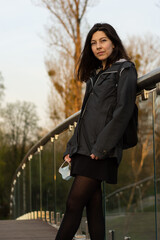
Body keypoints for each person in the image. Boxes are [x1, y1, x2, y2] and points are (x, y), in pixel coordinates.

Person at [55, 23, 137, 240]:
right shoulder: (96, 75)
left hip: (101, 149)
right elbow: (84, 117)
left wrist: (102, 147)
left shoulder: (125, 69)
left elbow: (123, 111)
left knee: (73, 203)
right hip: (84, 148)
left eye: (103, 40)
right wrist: (72, 146)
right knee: (93, 206)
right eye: (93, 43)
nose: (98, 46)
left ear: (113, 42)